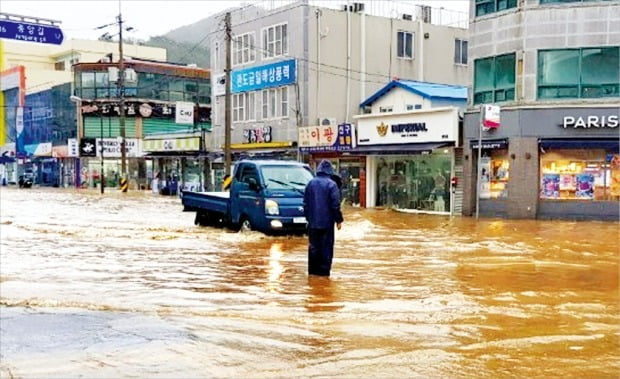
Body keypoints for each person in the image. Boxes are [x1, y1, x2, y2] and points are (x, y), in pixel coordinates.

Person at [304, 160, 344, 277]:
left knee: (313, 249)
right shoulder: (332, 185)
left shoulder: (310, 184)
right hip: (327, 224)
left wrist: (309, 219)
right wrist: (339, 220)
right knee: (326, 249)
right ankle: (324, 276)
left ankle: (312, 275)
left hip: (313, 224)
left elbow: (305, 204)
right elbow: (335, 205)